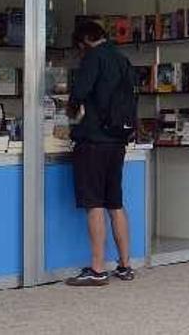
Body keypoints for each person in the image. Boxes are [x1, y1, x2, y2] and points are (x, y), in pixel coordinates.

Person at [64, 21, 135, 286]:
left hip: (93, 141)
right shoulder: (122, 59)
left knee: (94, 204)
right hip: (118, 141)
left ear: (84, 41)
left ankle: (97, 269)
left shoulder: (93, 58)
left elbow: (79, 93)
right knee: (115, 204)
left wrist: (70, 113)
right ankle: (125, 264)